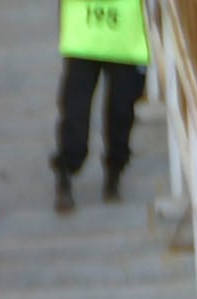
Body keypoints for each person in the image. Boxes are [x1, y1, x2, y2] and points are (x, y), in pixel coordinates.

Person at [51, 0, 145, 212]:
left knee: (122, 111)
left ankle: (114, 172)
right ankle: (65, 173)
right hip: (85, 34)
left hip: (124, 35)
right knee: (76, 110)